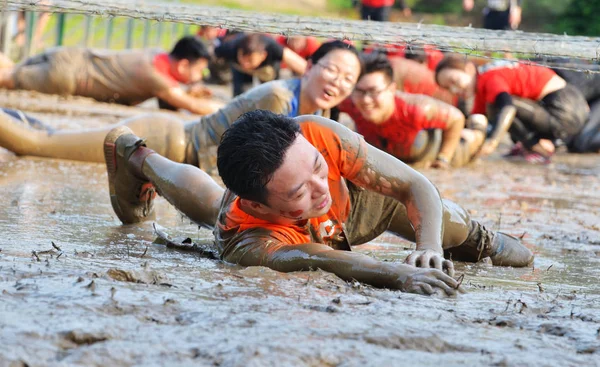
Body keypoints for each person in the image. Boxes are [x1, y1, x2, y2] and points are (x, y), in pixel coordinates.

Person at [101, 109, 534, 297]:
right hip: (293, 231)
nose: (319, 188)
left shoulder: (316, 136)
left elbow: (417, 184)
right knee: (214, 208)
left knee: (457, 230)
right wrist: (397, 275)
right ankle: (140, 157)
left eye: (315, 167)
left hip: (363, 202)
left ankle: (488, 239)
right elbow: (332, 261)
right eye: (299, 192)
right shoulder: (252, 240)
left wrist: (430, 248)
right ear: (259, 207)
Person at [0, 41, 362, 171]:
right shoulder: (280, 98)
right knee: (36, 145)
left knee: (50, 135)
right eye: (331, 69)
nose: (337, 82)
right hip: (164, 143)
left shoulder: (323, 113)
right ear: (310, 66)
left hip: (171, 151)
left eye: (348, 79)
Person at [0, 36, 223, 116]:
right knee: (7, 79)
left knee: (11, 69)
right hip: (67, 76)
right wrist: (227, 109)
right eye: (198, 70)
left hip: (68, 54)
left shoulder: (156, 54)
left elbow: (170, 97)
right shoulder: (156, 77)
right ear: (183, 65)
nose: (199, 76)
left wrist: (186, 91)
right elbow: (192, 106)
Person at [339, 53, 486, 168]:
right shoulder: (349, 101)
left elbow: (456, 118)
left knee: (471, 142)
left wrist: (443, 159)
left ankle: (479, 127)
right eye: (359, 91)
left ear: (391, 90)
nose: (366, 100)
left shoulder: (416, 109)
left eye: (373, 92)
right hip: (398, 155)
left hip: (434, 151)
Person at [435, 56, 589, 163]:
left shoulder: (488, 77)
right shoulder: (481, 88)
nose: (455, 90)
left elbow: (507, 107)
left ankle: (536, 148)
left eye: (453, 81)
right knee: (496, 110)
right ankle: (538, 145)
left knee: (500, 108)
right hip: (559, 108)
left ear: (469, 69)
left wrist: (492, 142)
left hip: (565, 107)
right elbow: (478, 119)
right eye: (449, 88)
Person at [214, 33, 308, 96]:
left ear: (263, 55)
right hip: (240, 70)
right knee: (242, 95)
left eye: (250, 60)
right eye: (243, 58)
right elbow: (209, 56)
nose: (246, 64)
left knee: (271, 93)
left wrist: (310, 77)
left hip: (267, 69)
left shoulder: (273, 48)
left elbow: (300, 65)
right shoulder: (230, 47)